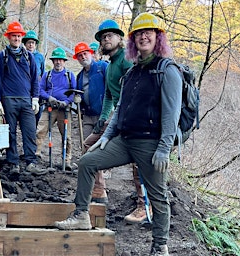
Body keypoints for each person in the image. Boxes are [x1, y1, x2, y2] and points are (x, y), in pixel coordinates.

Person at [54, 12, 181, 256]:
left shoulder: (167, 70)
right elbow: (120, 107)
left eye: (149, 32)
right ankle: (81, 215)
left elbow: (171, 114)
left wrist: (165, 147)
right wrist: (105, 136)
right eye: (139, 34)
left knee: (158, 196)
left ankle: (159, 246)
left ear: (158, 37)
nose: (143, 37)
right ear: (133, 41)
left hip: (151, 143)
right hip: (124, 139)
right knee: (87, 162)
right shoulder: (132, 72)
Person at [83, 20, 145, 220]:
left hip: (135, 119)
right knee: (89, 144)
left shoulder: (127, 60)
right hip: (118, 117)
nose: (106, 39)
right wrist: (102, 119)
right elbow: (110, 95)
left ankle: (143, 205)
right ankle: (99, 189)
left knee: (138, 161)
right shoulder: (110, 66)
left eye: (110, 35)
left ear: (120, 38)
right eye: (103, 37)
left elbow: (137, 89)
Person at [0, 21, 44, 175]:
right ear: (8, 37)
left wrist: (35, 98)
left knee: (29, 131)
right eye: (13, 36)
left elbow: (35, 79)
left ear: (22, 37)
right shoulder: (2, 57)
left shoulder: (29, 57)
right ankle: (13, 162)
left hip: (26, 100)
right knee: (11, 132)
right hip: (9, 99)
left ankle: (31, 162)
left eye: (18, 36)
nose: (16, 38)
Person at [35, 47, 77, 169]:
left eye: (60, 60)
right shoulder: (47, 75)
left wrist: (67, 101)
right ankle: (36, 154)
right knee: (40, 130)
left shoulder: (69, 75)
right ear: (52, 61)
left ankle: (67, 159)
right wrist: (48, 98)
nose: (58, 62)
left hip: (64, 109)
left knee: (66, 135)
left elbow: (74, 92)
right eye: (56, 60)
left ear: (64, 61)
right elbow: (40, 89)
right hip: (49, 107)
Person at [73, 42, 108, 139]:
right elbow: (79, 94)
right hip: (88, 116)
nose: (83, 57)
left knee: (102, 146)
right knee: (86, 143)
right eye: (80, 55)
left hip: (103, 114)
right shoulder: (79, 76)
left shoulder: (102, 67)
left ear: (91, 53)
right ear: (77, 59)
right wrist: (77, 100)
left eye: (85, 54)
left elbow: (111, 89)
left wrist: (108, 113)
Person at [22, 30, 46, 127]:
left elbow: (43, 73)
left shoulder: (40, 57)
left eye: (33, 43)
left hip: (37, 87)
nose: (31, 45)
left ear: (35, 44)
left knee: (38, 111)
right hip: (25, 87)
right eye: (29, 43)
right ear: (25, 44)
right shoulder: (21, 56)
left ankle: (35, 130)